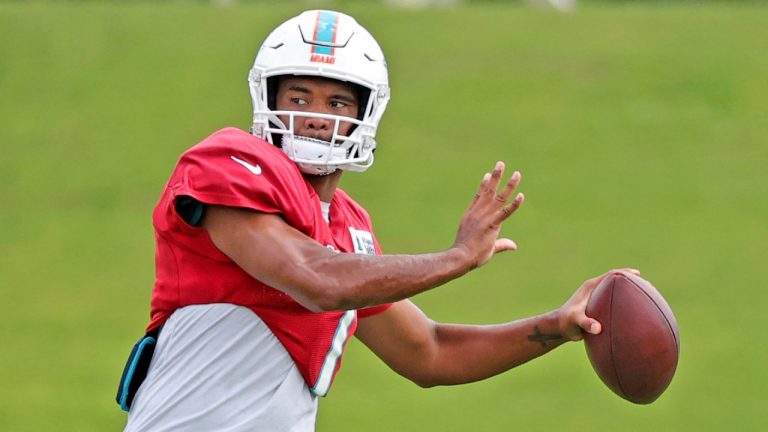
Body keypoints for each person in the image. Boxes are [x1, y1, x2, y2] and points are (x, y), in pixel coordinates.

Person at [119, 9, 638, 431]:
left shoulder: (346, 228)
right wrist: (456, 258)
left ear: (365, 116)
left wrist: (557, 326)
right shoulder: (228, 165)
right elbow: (315, 278)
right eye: (298, 97)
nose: (318, 115)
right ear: (269, 99)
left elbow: (430, 353)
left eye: (337, 101)